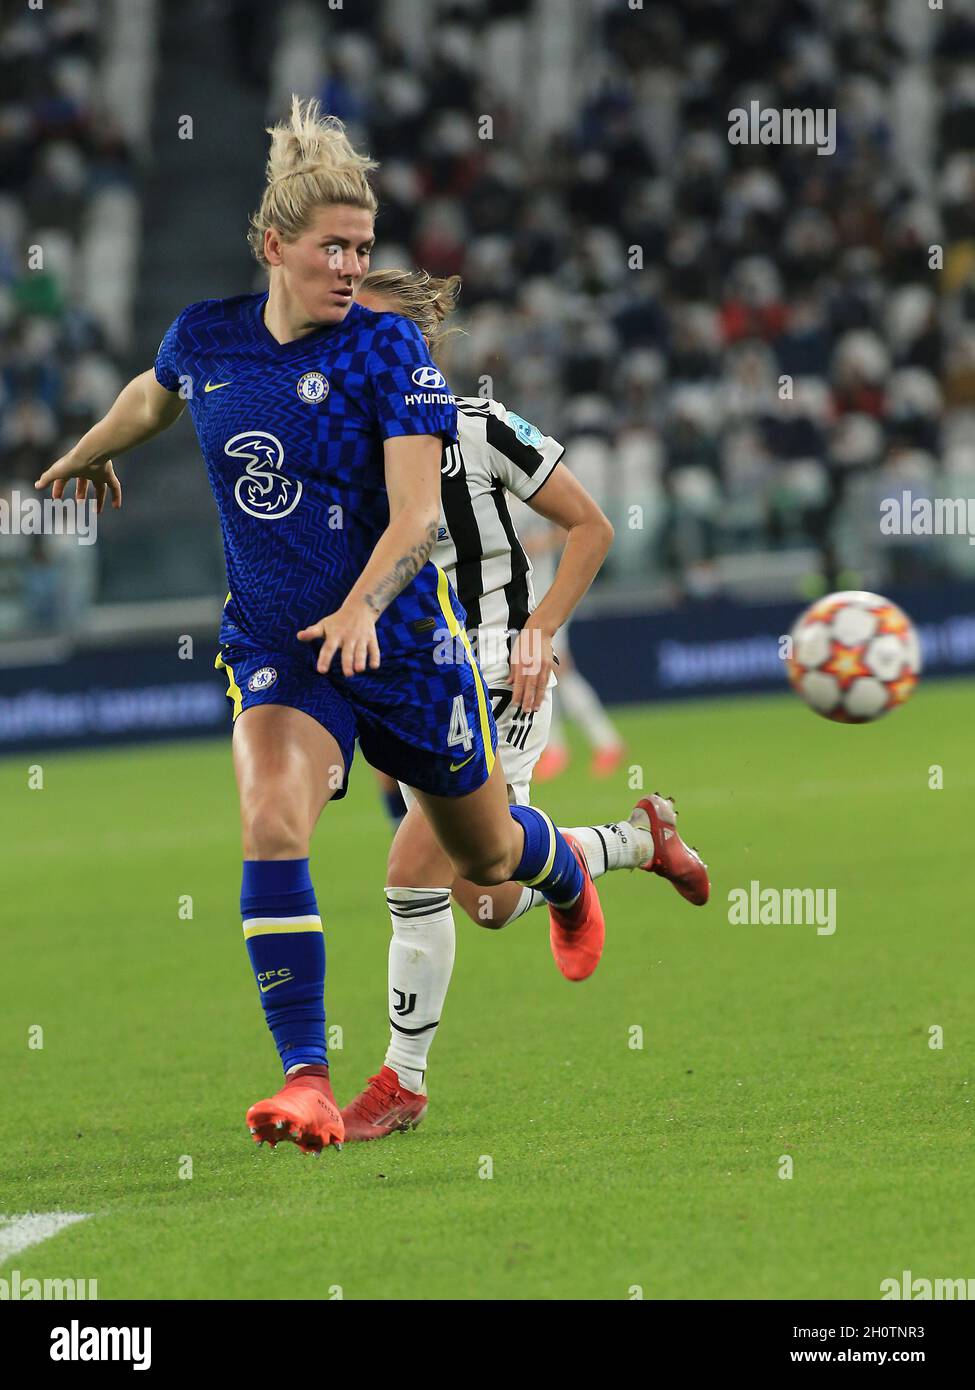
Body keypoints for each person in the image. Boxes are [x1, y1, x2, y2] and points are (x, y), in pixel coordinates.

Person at [34, 98, 609, 1157]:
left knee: (488, 860)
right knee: (270, 823)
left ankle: (568, 875)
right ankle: (306, 1079)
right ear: (273, 248)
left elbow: (416, 515)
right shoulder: (206, 337)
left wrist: (360, 604)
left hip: (404, 651)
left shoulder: (389, 352)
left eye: (364, 248)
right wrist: (88, 449)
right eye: (332, 248)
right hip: (276, 647)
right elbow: (152, 398)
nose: (351, 265)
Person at [341, 269, 710, 1141]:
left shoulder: (481, 428)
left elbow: (592, 526)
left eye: (378, 332)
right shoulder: (350, 451)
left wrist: (540, 629)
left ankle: (402, 1083)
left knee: (409, 873)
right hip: (413, 690)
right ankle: (628, 843)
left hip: (497, 679)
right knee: (490, 896)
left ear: (416, 346)